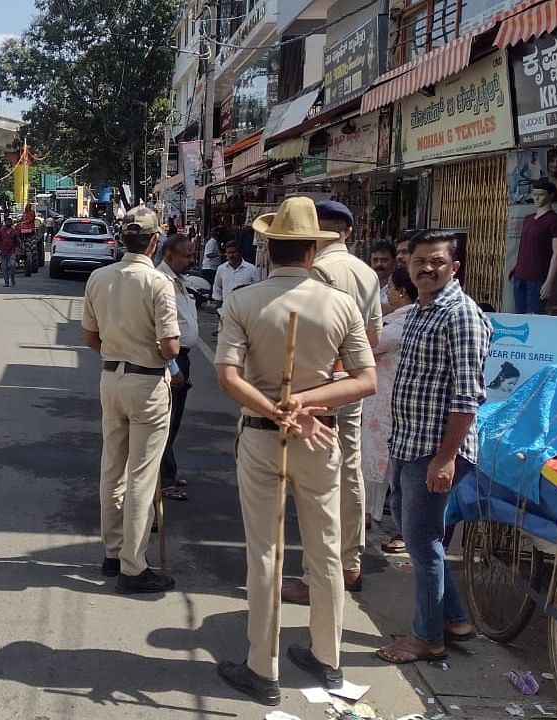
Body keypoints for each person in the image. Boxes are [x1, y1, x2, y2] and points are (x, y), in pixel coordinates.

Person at [214, 197, 376, 703]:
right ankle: (328, 660)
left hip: (264, 433)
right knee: (325, 551)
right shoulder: (340, 304)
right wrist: (303, 405)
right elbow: (365, 380)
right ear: (313, 249)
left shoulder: (242, 300)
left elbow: (227, 376)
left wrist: (282, 407)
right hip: (320, 435)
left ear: (269, 248)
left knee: (264, 552)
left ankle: (263, 669)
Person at [377, 229, 489, 665]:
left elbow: (467, 396)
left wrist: (445, 459)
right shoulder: (423, 310)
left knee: (422, 543)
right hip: (409, 442)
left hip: (435, 449)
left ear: (454, 267)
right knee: (421, 537)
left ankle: (427, 638)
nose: (426, 268)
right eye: (419, 260)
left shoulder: (460, 316)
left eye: (437, 262)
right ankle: (454, 619)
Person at [283, 201, 382, 605]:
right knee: (350, 470)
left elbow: (308, 335)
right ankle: (349, 562)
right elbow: (371, 339)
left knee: (317, 480)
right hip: (351, 382)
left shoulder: (319, 271)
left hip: (320, 384)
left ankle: (315, 575)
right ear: (350, 233)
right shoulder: (367, 271)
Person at [82, 205, 180, 595]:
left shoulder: (98, 277)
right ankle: (133, 567)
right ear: (154, 241)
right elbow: (171, 346)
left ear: (122, 239)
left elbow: (91, 337)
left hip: (111, 376)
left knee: (112, 467)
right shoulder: (158, 283)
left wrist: (119, 348)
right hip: (146, 383)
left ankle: (113, 551)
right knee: (142, 475)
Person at [361, 266, 418, 542]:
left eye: (392, 290)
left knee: (376, 458)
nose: (389, 295)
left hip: (386, 401)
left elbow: (367, 346)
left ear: (402, 292)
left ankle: (372, 515)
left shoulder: (400, 325)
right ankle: (372, 514)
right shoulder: (411, 320)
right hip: (392, 399)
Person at [155, 235, 199, 501]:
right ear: (169, 255)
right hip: (171, 358)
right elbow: (158, 330)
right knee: (165, 422)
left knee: (174, 421)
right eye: (187, 255)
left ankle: (167, 473)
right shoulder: (161, 283)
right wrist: (172, 367)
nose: (192, 260)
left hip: (183, 356)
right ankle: (163, 480)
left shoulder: (179, 282)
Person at [510, 178, 557, 314]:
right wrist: (516, 268)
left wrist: (549, 281)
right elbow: (525, 246)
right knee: (519, 318)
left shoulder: (555, 220)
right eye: (534, 194)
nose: (536, 197)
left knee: (534, 319)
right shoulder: (528, 219)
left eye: (540, 194)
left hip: (537, 278)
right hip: (519, 275)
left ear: (550, 195)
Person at [213, 242, 259, 307]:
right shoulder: (221, 269)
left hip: (245, 307)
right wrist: (218, 305)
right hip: (226, 306)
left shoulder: (251, 269)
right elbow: (217, 288)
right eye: (228, 253)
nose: (230, 255)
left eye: (233, 252)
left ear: (240, 253)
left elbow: (256, 289)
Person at [370, 241, 395, 310]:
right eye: (375, 260)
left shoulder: (397, 289)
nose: (379, 264)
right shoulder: (364, 286)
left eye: (384, 260)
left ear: (394, 262)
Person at [0, 221, 19, 287]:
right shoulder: (1, 231)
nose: (8, 223)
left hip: (11, 251)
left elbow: (17, 241)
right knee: (4, 268)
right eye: (7, 222)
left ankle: (12, 278)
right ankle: (6, 282)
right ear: (5, 223)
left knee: (12, 266)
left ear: (11, 223)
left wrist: (18, 249)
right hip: (3, 252)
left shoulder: (14, 232)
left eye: (9, 222)